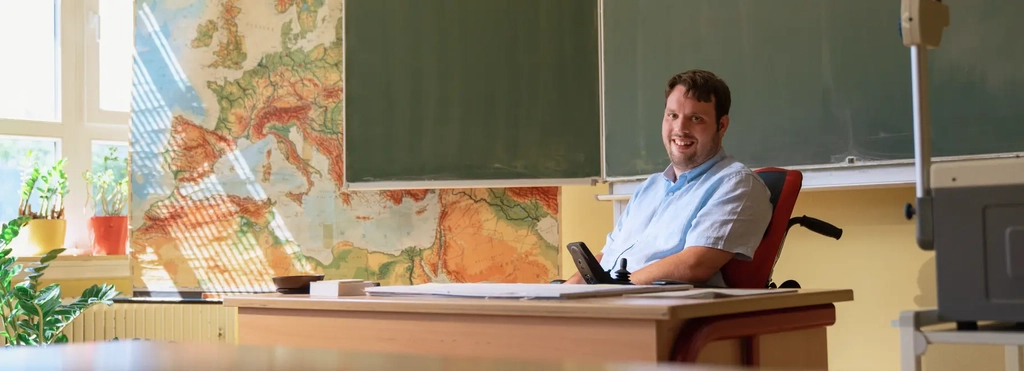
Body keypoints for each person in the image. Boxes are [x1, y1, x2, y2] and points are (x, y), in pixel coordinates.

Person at [566, 69, 773, 287]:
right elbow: (607, 256)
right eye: (673, 116)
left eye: (696, 118)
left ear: (721, 126)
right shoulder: (650, 187)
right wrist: (561, 295)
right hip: (608, 303)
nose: (680, 129)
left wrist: (610, 291)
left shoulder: (736, 184)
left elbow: (694, 264)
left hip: (653, 310)